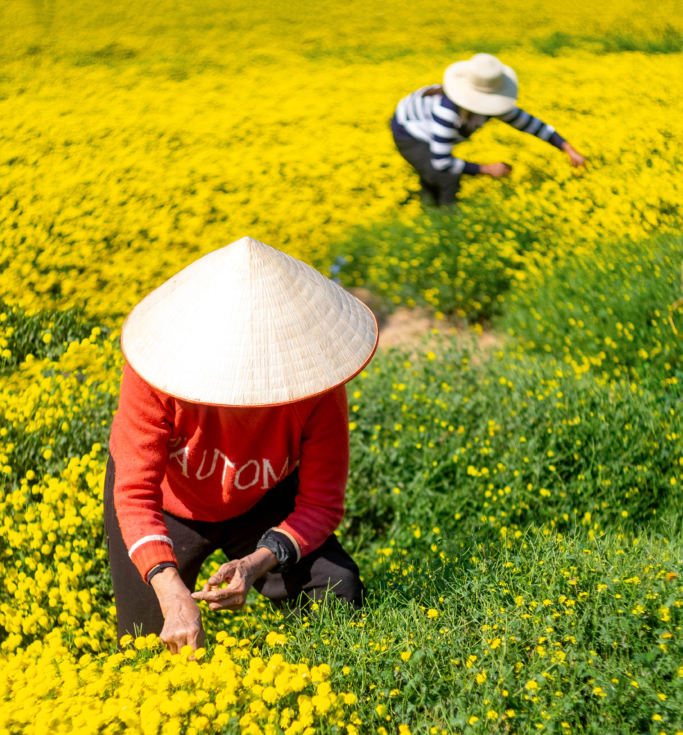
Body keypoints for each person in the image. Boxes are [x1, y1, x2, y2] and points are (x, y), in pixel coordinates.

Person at [105, 236, 378, 652]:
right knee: (147, 643)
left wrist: (257, 562)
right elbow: (135, 496)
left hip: (261, 501)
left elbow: (321, 504)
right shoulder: (152, 377)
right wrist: (171, 592)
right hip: (169, 503)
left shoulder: (318, 389)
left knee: (336, 588)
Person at [391, 52, 586, 206]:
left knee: (433, 173)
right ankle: (446, 220)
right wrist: (487, 169)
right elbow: (442, 162)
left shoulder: (493, 105)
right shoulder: (446, 111)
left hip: (430, 131)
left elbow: (532, 125)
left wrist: (568, 149)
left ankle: (428, 207)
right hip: (409, 132)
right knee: (445, 177)